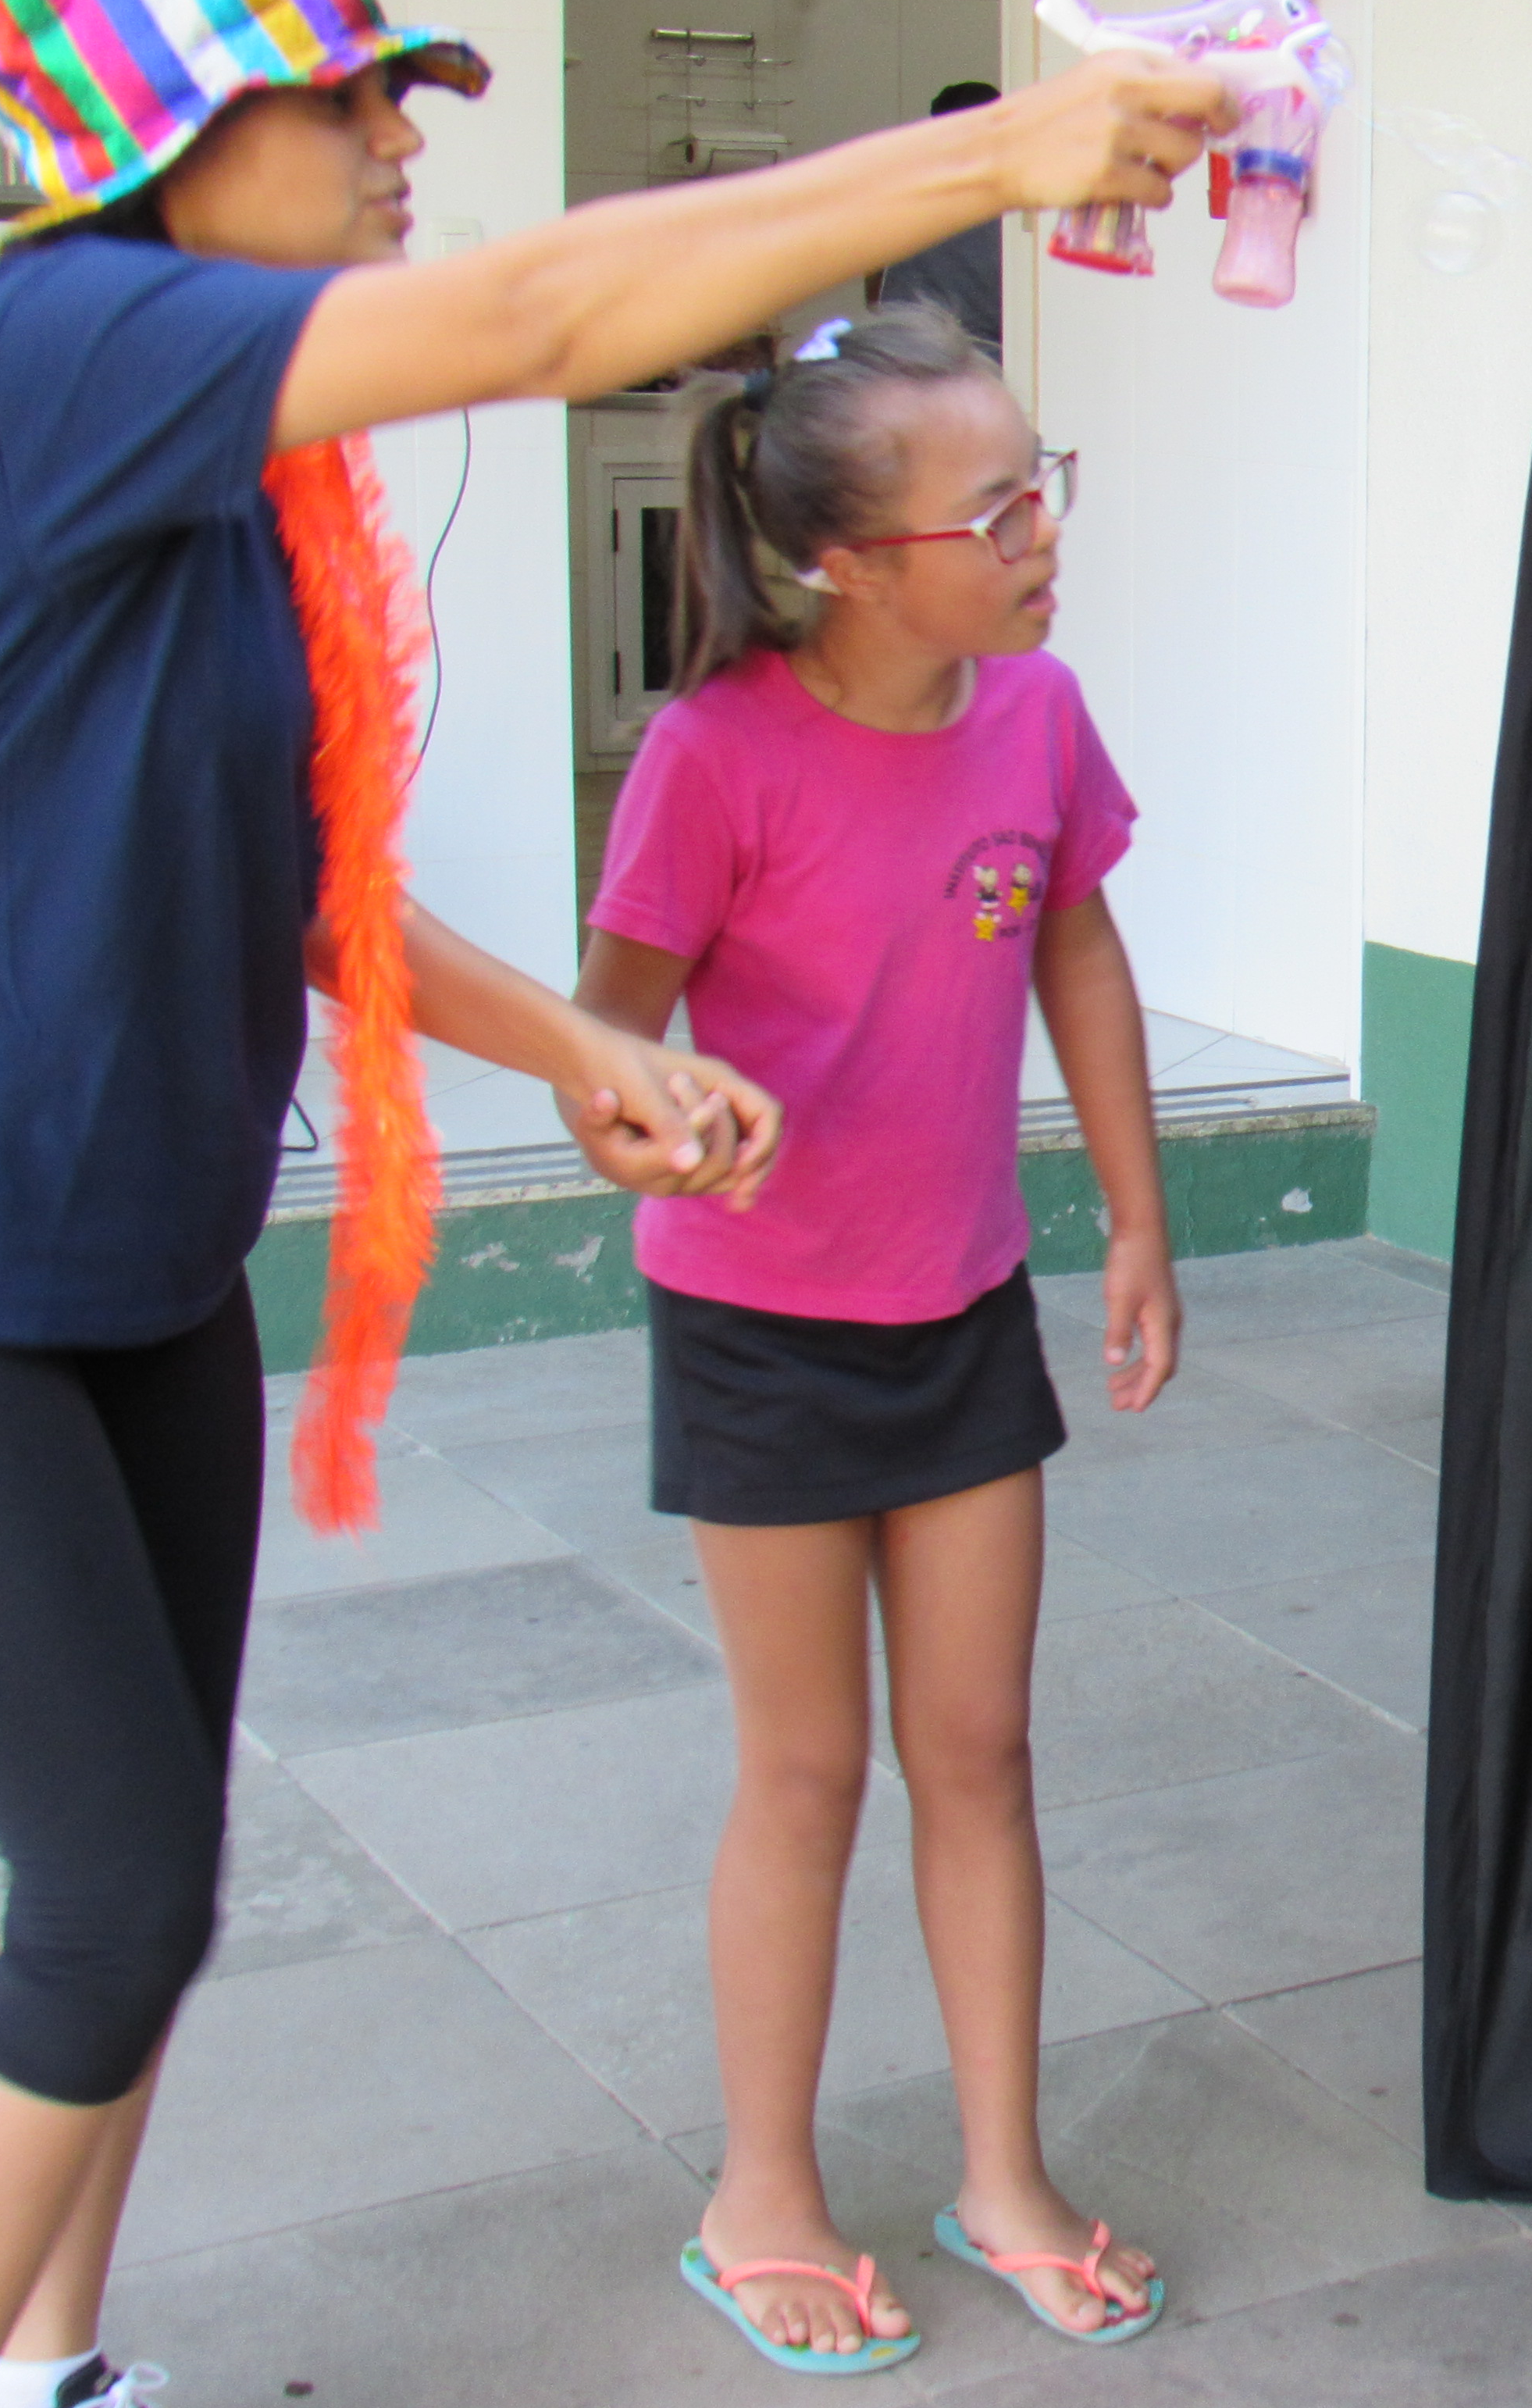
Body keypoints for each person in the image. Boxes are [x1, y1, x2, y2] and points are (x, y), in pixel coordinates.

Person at [0, 0, 1227, 2403]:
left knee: (123, 1892)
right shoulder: (52, 347)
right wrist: (1005, 151)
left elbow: (298, 884)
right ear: (165, 124)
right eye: (351, 94)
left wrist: (574, 1055)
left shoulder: (205, 470)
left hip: (136, 1263)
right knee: (111, 1896)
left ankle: (49, 2365)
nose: (406, 138)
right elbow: (533, 319)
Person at [576, 304, 1178, 2371]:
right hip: (758, 1329)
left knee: (982, 1752)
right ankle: (761, 2189)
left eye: (1043, 486)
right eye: (995, 510)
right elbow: (605, 1039)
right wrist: (660, 1125)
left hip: (961, 1306)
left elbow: (1079, 952)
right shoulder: (715, 755)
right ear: (847, 563)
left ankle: (1004, 2176)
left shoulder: (1039, 718)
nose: (1042, 533)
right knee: (810, 1767)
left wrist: (1137, 1220)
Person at [870, 83, 1007, 359]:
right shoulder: (1014, 199)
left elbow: (874, 284)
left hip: (908, 350)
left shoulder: (908, 192)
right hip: (988, 359)